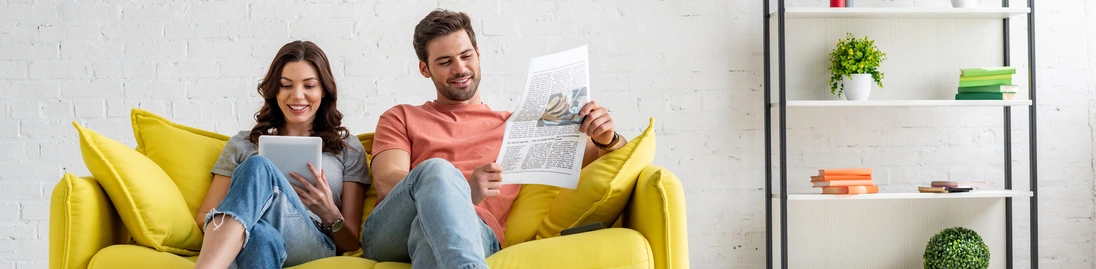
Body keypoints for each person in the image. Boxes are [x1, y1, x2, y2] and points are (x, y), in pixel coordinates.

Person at [360, 9, 627, 268]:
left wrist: (607, 136)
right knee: (437, 170)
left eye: (466, 56)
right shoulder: (401, 116)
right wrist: (462, 190)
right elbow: (387, 183)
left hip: (476, 232)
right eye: (445, 62)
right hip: (392, 231)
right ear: (424, 68)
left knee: (428, 232)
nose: (460, 68)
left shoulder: (518, 126)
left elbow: (609, 156)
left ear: (478, 54)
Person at [193, 40, 369, 269]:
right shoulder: (242, 143)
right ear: (275, 90)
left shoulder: (347, 148)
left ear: (323, 90)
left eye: (309, 86)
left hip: (311, 242)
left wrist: (329, 213)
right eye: (286, 85)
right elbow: (204, 216)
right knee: (260, 234)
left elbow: (350, 241)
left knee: (258, 165)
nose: (297, 95)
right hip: (249, 237)